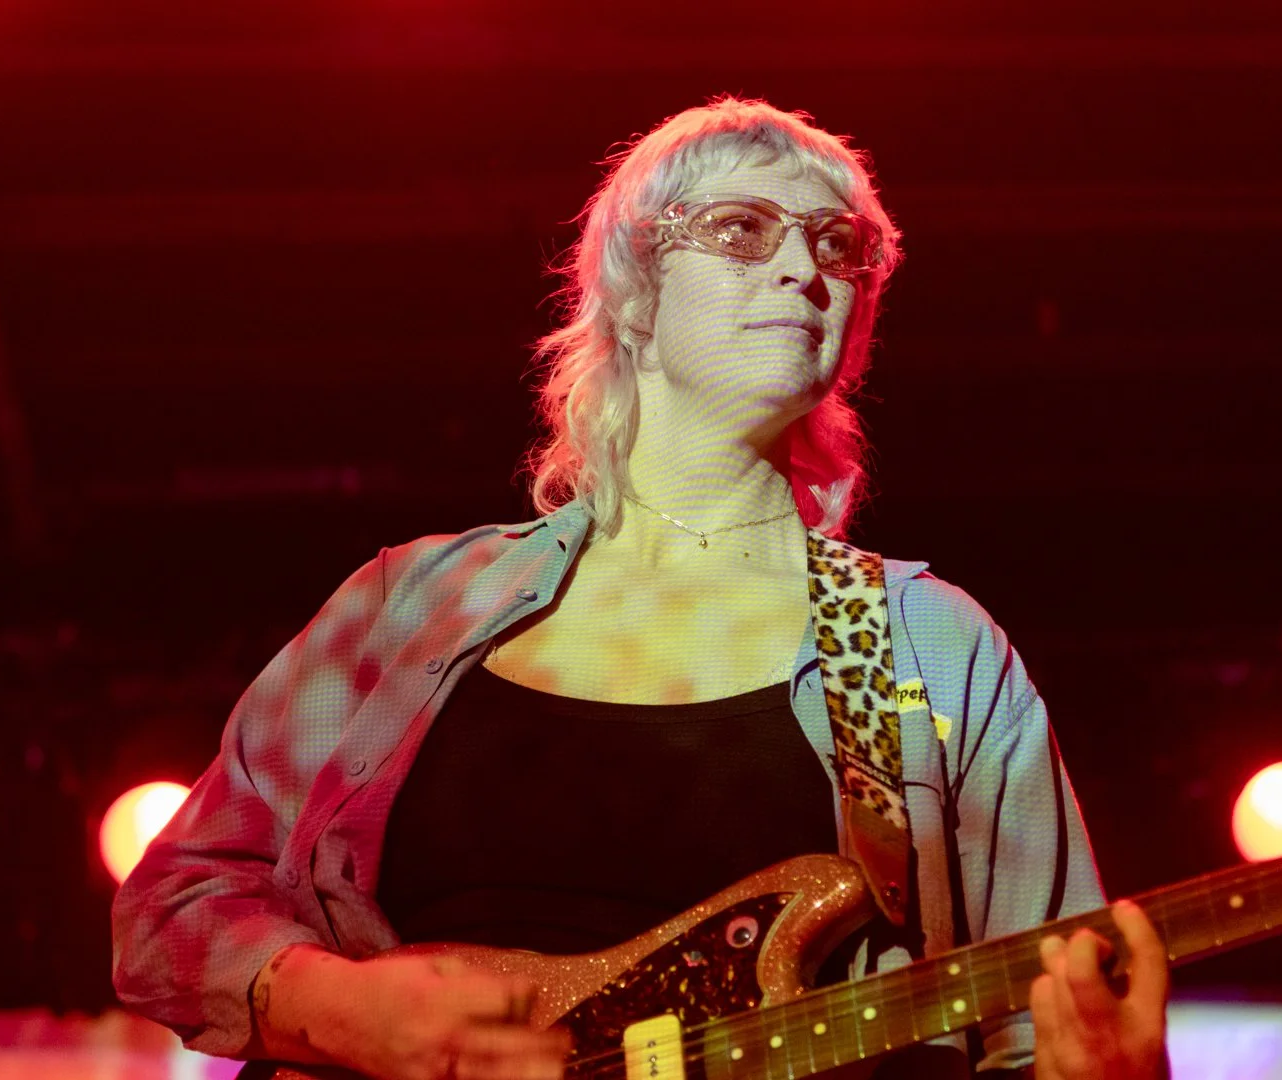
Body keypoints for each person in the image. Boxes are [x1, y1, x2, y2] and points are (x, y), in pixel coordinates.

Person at [112, 96, 1170, 1079]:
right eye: (745, 229)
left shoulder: (929, 646)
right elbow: (178, 899)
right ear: (634, 290)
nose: (805, 267)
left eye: (836, 244)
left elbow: (1043, 1020)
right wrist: (340, 1011)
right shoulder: (411, 603)